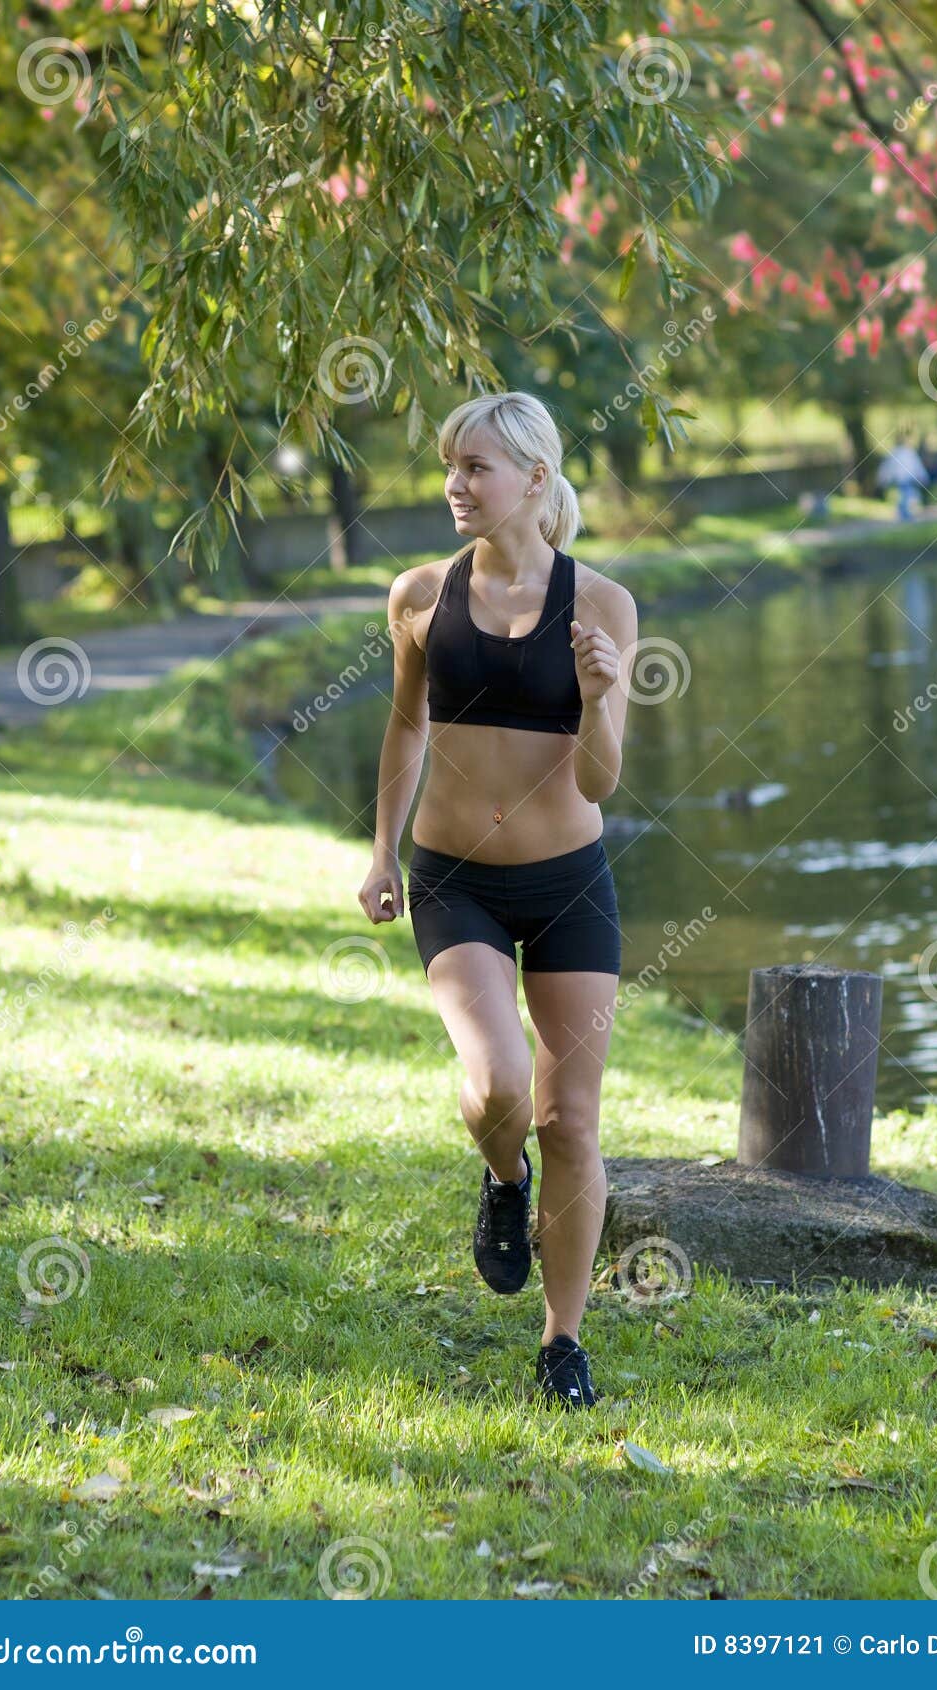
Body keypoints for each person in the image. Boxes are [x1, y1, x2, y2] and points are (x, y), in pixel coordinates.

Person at [358, 391, 637, 1411]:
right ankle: (501, 1180)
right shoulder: (419, 595)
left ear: (532, 477)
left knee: (572, 1119)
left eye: (475, 467)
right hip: (454, 879)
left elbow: (603, 781)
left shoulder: (602, 604)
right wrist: (380, 851)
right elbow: (403, 730)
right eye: (449, 466)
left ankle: (562, 1339)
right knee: (496, 1090)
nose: (454, 485)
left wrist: (602, 696)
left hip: (571, 883)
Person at [875, 431, 929, 521]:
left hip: (901, 478)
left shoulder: (896, 452)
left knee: (905, 496)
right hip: (908, 478)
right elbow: (917, 465)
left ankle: (906, 515)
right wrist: (923, 477)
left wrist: (883, 479)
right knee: (907, 496)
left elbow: (888, 467)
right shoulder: (908, 452)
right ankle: (907, 515)